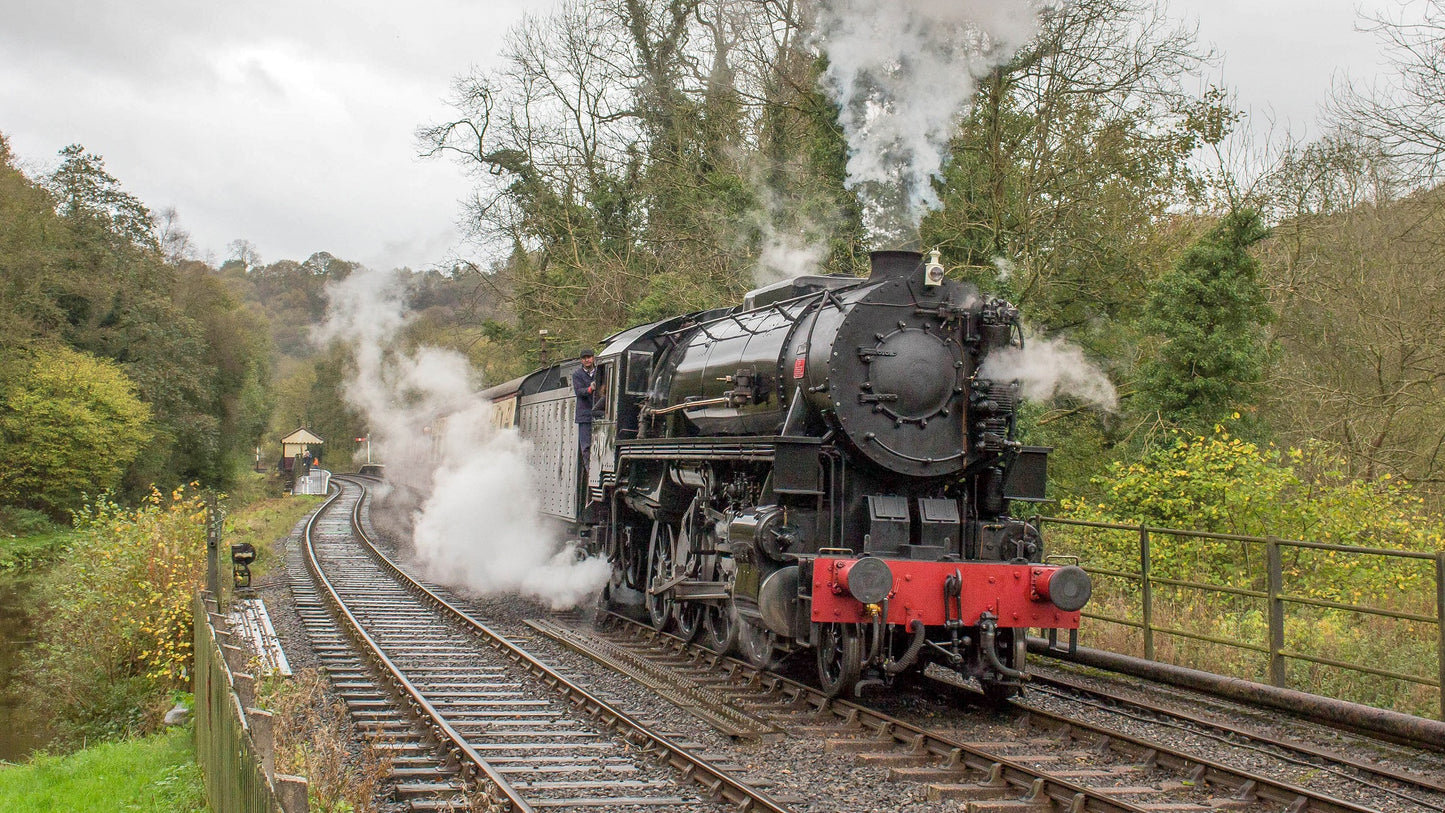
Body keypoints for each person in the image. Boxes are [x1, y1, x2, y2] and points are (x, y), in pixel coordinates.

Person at [572, 348, 599, 463]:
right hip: (584, 415)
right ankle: (589, 470)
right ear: (581, 360)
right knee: (586, 447)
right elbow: (579, 392)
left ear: (593, 358)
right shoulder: (577, 375)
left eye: (589, 357)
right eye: (584, 358)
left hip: (599, 413)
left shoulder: (600, 371)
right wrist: (590, 389)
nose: (587, 360)